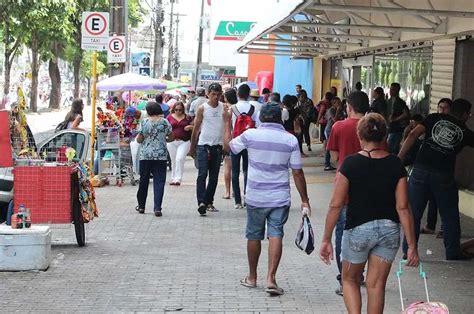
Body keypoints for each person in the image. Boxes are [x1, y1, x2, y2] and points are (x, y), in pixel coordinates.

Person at [320, 113, 419, 314]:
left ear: (360, 135)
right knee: (376, 286)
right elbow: (403, 207)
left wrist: (326, 239)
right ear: (384, 136)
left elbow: (336, 205)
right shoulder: (396, 164)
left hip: (358, 230)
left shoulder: (350, 163)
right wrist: (411, 245)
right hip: (389, 231)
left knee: (349, 279)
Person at [223, 102, 311, 296]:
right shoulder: (290, 140)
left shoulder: (250, 135)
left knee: (254, 234)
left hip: (255, 195)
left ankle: (252, 277)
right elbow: (297, 172)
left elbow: (228, 147)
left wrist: (227, 122)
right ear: (280, 119)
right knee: (276, 233)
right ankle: (271, 279)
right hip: (280, 196)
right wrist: (304, 199)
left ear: (261, 118)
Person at [399, 98, 474, 260]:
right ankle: (452, 251)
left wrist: (399, 159)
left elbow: (412, 134)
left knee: (415, 213)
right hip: (443, 175)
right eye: (469, 114)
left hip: (420, 170)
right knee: (449, 214)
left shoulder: (434, 118)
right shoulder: (465, 132)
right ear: (465, 114)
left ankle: (408, 251)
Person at [326, 91, 369, 296]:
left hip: (344, 188)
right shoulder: (375, 127)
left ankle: (345, 280)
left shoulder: (339, 126)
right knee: (367, 233)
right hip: (371, 189)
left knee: (343, 234)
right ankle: (359, 275)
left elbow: (334, 157)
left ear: (349, 107)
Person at [189, 83, 224, 215]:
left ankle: (209, 201)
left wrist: (226, 144)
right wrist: (192, 148)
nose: (215, 97)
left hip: (218, 146)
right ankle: (201, 202)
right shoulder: (202, 108)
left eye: (218, 94)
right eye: (213, 94)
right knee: (202, 174)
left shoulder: (224, 108)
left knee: (214, 177)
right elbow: (196, 128)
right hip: (203, 145)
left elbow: (227, 127)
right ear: (208, 94)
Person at [421, 98, 453, 236]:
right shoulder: (433, 121)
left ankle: (444, 229)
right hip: (430, 166)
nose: (442, 110)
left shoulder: (453, 126)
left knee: (445, 202)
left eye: (445, 108)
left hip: (445, 169)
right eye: (440, 107)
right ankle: (430, 225)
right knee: (432, 198)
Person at [135, 101, 173, 217]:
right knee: (159, 181)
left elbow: (139, 140)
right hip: (160, 156)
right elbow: (171, 137)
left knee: (144, 180)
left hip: (145, 156)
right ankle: (157, 208)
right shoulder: (165, 122)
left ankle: (141, 206)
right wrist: (163, 140)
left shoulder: (144, 122)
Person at [230, 84, 258, 209]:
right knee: (247, 171)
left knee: (235, 172)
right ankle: (248, 197)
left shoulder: (232, 108)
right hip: (249, 143)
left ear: (237, 94)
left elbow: (229, 127)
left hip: (235, 142)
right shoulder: (254, 108)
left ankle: (237, 201)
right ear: (249, 94)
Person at [166, 102, 193, 186]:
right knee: (173, 160)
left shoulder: (188, 118)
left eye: (180, 110)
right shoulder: (169, 117)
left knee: (180, 158)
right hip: (171, 142)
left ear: (183, 110)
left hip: (184, 141)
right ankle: (173, 177)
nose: (178, 111)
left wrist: (190, 127)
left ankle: (178, 178)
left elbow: (195, 126)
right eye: (176, 110)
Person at [222, 88, 238, 199]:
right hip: (240, 138)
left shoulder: (225, 108)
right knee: (237, 167)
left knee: (227, 166)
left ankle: (228, 192)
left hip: (228, 138)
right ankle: (236, 191)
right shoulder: (239, 108)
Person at [387, 82, 410, 154]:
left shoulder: (400, 102)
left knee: (392, 148)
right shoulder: (389, 101)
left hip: (397, 129)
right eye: (390, 89)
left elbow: (406, 114)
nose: (391, 91)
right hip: (390, 128)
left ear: (397, 90)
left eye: (393, 89)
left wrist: (395, 119)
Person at [324, 97, 343, 171]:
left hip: (337, 130)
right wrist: (338, 111)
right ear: (334, 103)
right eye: (338, 103)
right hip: (330, 130)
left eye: (340, 103)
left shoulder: (341, 110)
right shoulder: (331, 110)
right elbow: (335, 120)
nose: (339, 105)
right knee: (329, 147)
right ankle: (327, 164)